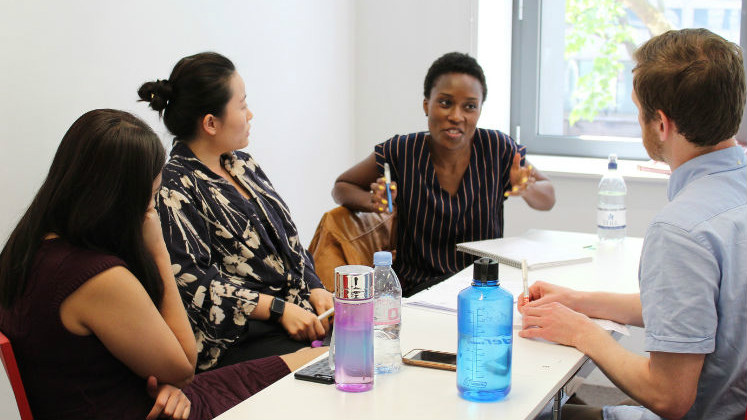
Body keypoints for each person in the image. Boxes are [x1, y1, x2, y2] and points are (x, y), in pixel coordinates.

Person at [0, 109, 326, 420]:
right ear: (121, 200)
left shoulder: (29, 247)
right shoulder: (97, 278)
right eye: (152, 196)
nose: (153, 208)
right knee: (317, 367)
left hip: (145, 395)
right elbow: (183, 367)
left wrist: (167, 378)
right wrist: (159, 252)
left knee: (310, 359)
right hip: (148, 410)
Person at [519, 28, 747, 420]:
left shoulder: (681, 231)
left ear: (661, 125)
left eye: (639, 110)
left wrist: (581, 332)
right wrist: (578, 302)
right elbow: (697, 310)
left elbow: (668, 396)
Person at [139, 52, 333, 371]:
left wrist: (314, 286)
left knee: (371, 340)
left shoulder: (242, 164)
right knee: (339, 366)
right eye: (242, 105)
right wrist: (278, 309)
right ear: (210, 123)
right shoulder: (173, 187)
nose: (250, 114)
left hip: (296, 316)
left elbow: (289, 240)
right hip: (240, 340)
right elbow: (192, 284)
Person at [332, 52, 556, 297]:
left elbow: (548, 197)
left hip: (481, 289)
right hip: (418, 291)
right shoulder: (402, 151)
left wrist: (526, 188)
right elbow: (342, 186)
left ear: (480, 110)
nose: (456, 116)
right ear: (426, 104)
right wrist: (373, 202)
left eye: (469, 106)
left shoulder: (497, 148)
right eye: (445, 103)